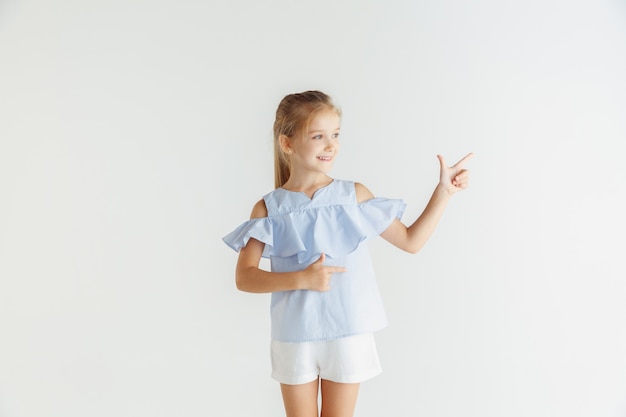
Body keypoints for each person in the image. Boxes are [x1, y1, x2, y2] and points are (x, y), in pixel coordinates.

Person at [223, 90, 472, 417]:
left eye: (335, 135)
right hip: (294, 336)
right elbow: (245, 277)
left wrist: (444, 192)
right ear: (287, 143)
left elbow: (411, 241)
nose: (331, 145)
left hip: (348, 331)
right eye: (318, 136)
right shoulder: (270, 208)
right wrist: (302, 278)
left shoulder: (352, 196)